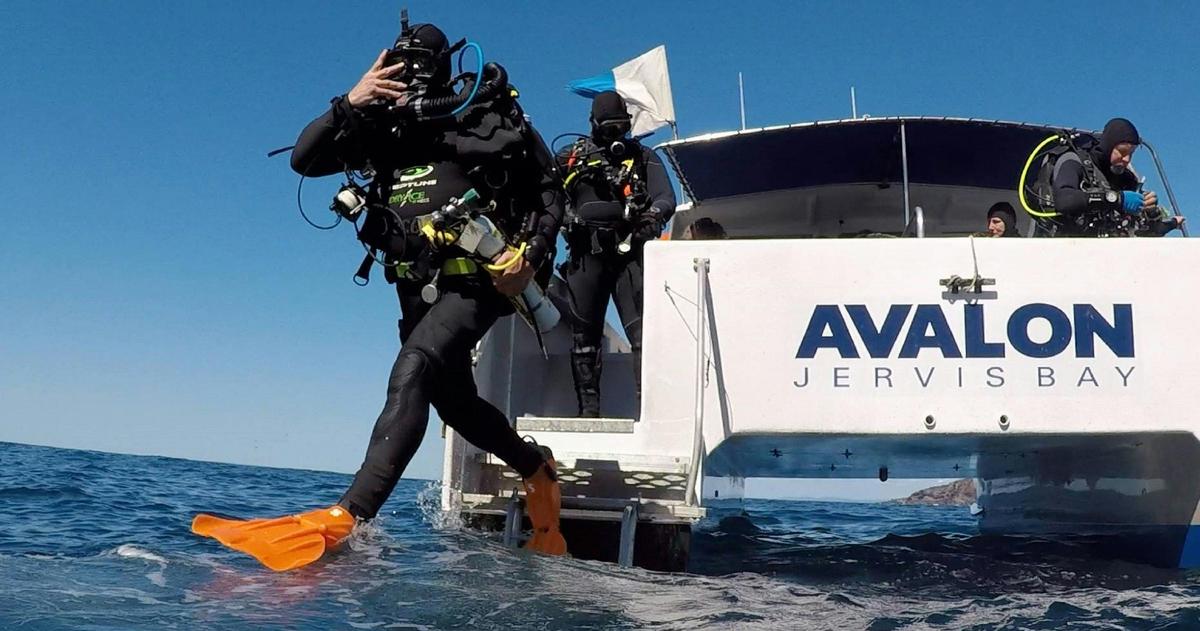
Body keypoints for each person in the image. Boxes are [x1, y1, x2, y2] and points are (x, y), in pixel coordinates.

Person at [192, 20, 568, 570]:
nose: (411, 71)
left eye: (422, 61)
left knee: (412, 367)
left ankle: (348, 517)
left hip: (479, 277)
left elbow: (547, 186)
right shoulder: (382, 125)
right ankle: (537, 470)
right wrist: (351, 100)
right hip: (415, 284)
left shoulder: (484, 110)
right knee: (454, 402)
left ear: (445, 64)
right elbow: (304, 159)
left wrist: (531, 254)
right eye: (402, 59)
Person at [558, 91, 676, 417]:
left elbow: (667, 197)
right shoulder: (572, 158)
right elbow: (548, 198)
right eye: (608, 128)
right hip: (587, 254)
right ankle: (588, 413)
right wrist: (568, 218)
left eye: (620, 128)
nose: (615, 136)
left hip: (629, 256)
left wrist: (651, 214)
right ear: (592, 124)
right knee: (584, 338)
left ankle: (650, 415)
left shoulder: (643, 156)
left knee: (642, 337)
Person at [1050, 118, 1184, 236]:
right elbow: (1064, 200)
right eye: (1122, 152)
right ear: (1108, 146)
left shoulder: (1127, 180)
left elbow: (1143, 233)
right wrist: (1116, 199)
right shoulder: (1073, 161)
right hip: (1069, 250)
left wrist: (1151, 213)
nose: (1127, 159)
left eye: (1131, 154)